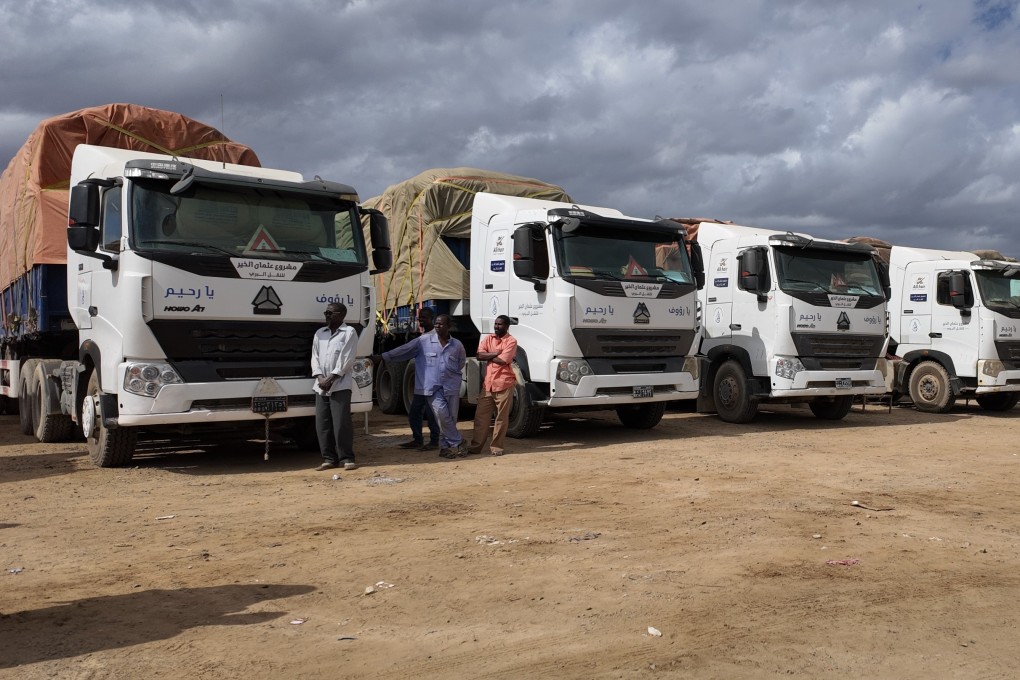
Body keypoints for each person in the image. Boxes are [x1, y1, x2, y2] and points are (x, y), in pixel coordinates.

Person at [374, 313, 467, 458]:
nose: (437, 326)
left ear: (449, 326)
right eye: (436, 323)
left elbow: (461, 362)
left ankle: (444, 448)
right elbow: (404, 350)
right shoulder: (423, 341)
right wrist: (384, 356)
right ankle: (459, 441)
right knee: (442, 415)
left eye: (441, 323)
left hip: (451, 386)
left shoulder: (457, 345)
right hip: (432, 388)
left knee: (451, 418)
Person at [311, 302, 358, 471]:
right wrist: (320, 378)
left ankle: (346, 458)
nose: (327, 315)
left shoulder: (349, 332)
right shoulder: (319, 333)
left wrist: (330, 378)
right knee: (322, 424)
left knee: (341, 423)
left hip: (340, 385)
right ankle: (329, 458)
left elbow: (347, 359)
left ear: (341, 315)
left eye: (330, 313)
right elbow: (314, 358)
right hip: (321, 385)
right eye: (326, 313)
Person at [468, 315, 518, 456]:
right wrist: (495, 353)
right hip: (488, 385)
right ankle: (476, 447)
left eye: (500, 324)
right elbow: (478, 356)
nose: (496, 326)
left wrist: (488, 355)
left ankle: (497, 447)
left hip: (504, 384)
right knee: (480, 418)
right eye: (495, 324)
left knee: (501, 418)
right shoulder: (488, 338)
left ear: (507, 326)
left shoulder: (511, 341)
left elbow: (503, 361)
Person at [396, 307, 441, 451]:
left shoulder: (436, 338)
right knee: (414, 412)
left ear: (432, 319)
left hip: (433, 385)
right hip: (421, 384)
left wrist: (385, 356)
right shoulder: (422, 338)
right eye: (420, 317)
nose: (421, 320)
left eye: (425, 317)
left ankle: (434, 441)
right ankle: (417, 439)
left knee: (432, 415)